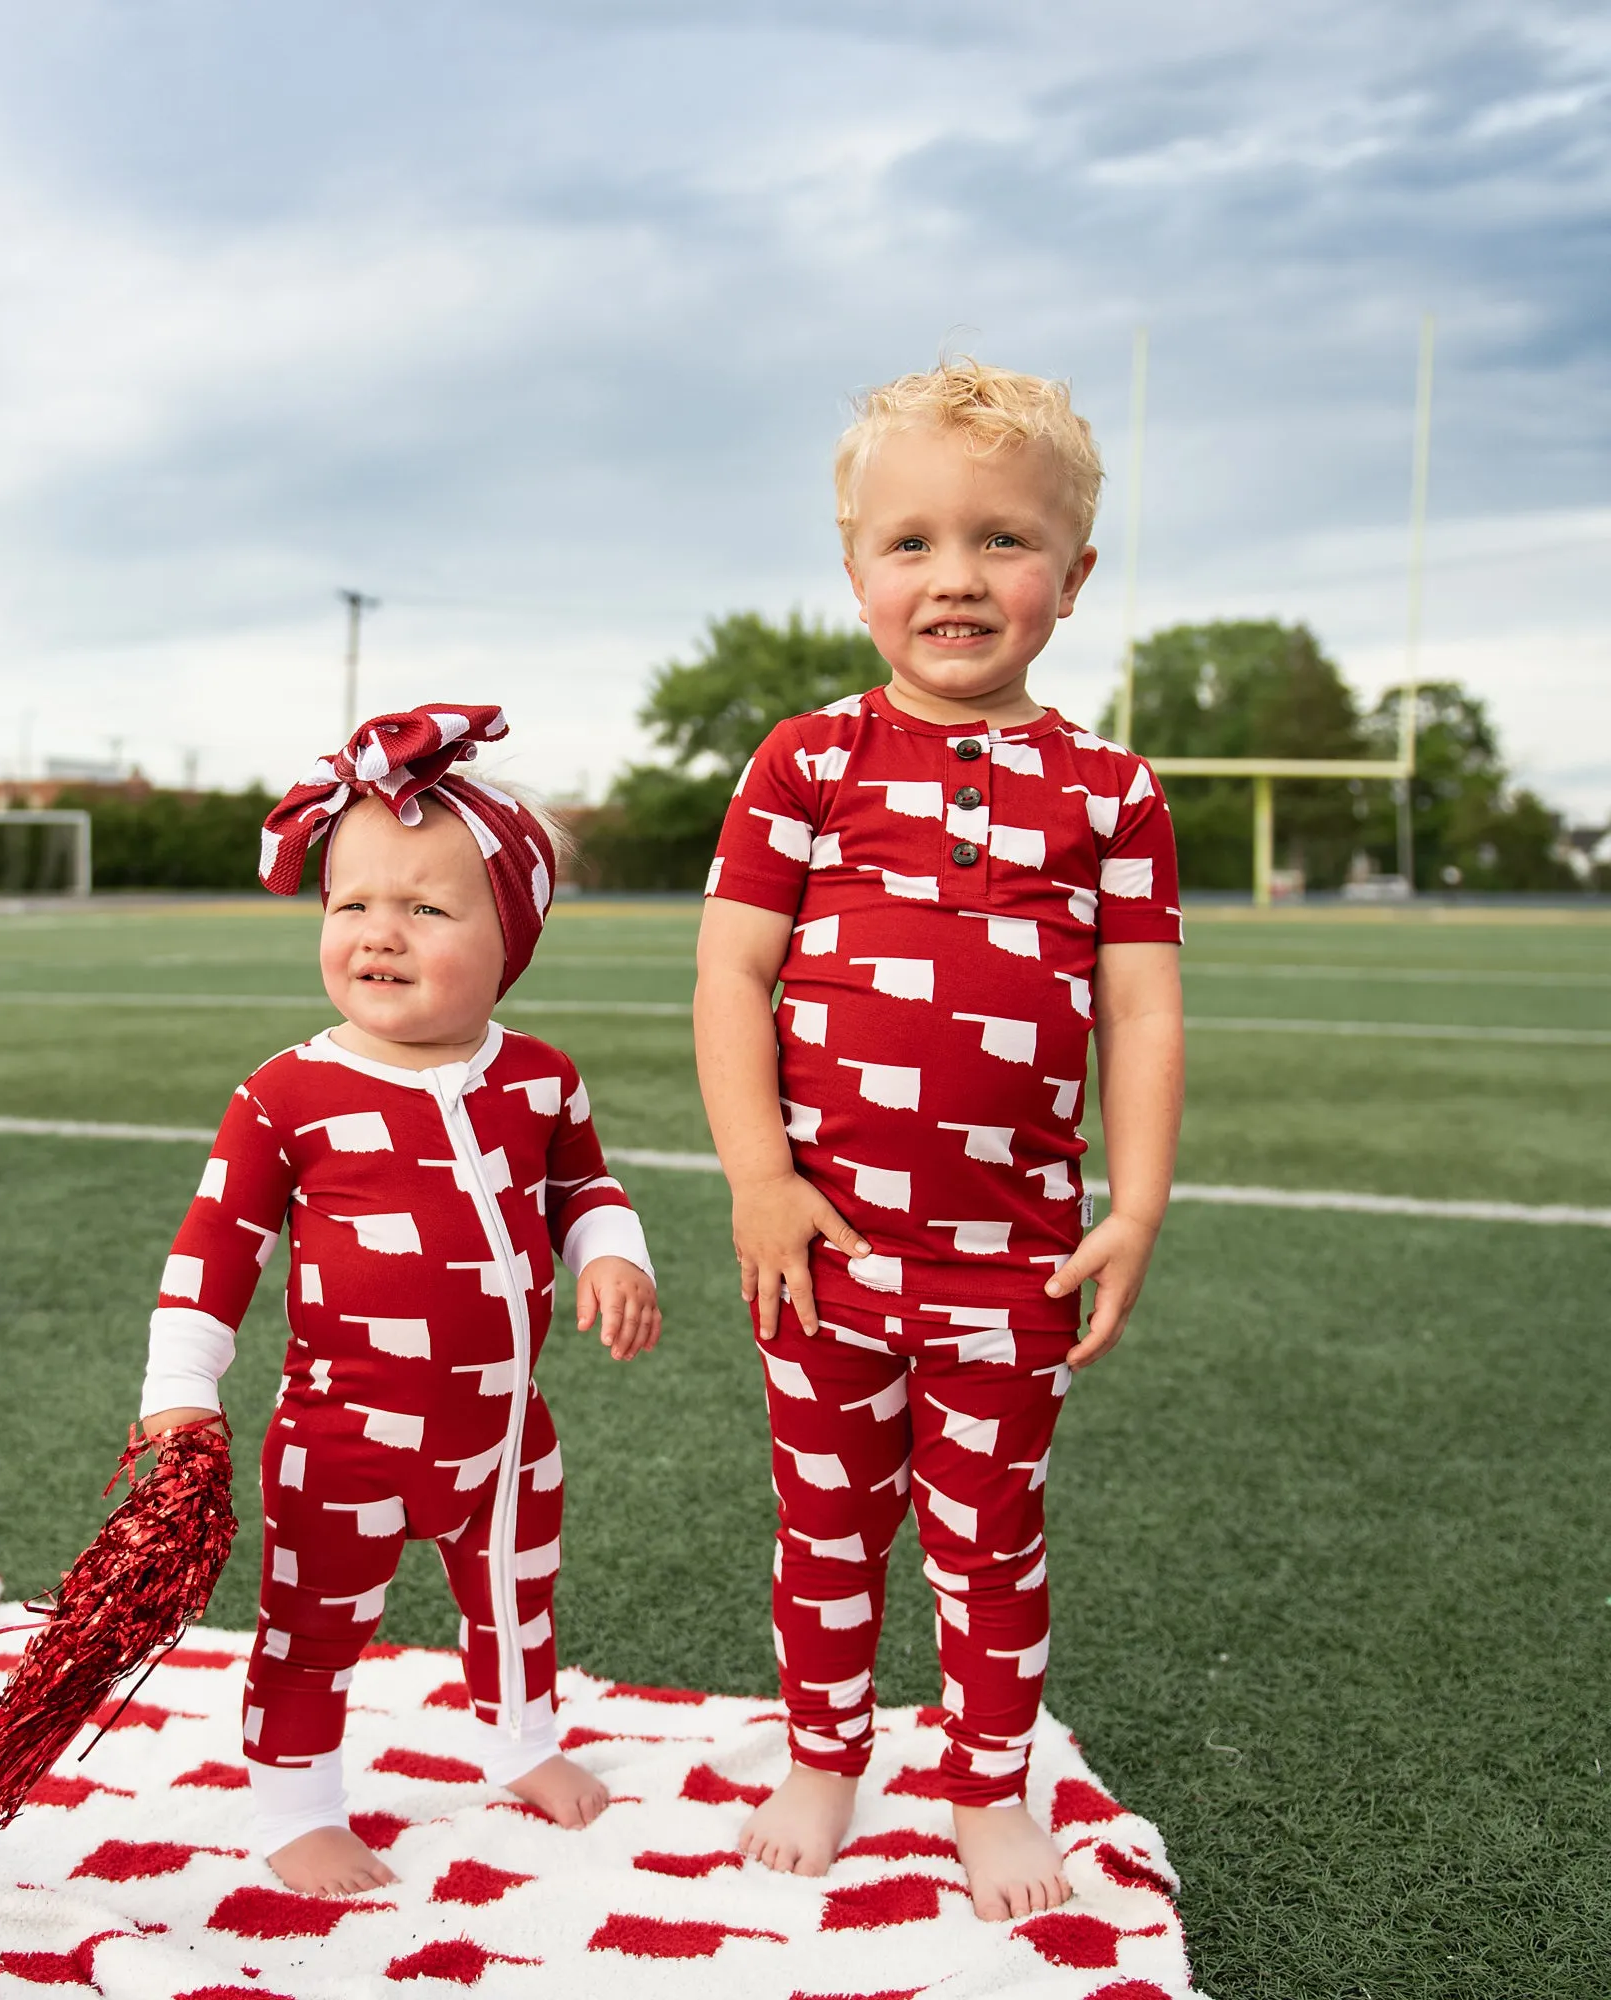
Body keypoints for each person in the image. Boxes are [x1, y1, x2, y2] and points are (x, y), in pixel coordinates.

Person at [692, 359, 1185, 1920]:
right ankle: (826, 1756)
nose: (956, 578)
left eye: (1002, 541)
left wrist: (1138, 1201)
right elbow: (732, 975)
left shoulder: (1109, 787)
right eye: (911, 543)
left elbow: (1144, 1014)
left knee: (990, 1540)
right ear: (855, 571)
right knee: (826, 1525)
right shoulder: (808, 760)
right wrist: (762, 1181)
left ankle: (988, 1783)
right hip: (825, 1253)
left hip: (1011, 1256)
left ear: (1075, 575)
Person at [140, 703, 661, 1897]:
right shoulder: (288, 1092)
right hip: (346, 1436)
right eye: (350, 905)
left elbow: (587, 1184)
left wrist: (609, 1253)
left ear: (509, 936)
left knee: (518, 1601)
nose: (378, 933)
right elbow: (214, 1243)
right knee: (314, 1623)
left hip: (508, 1427)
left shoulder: (536, 1076)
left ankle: (522, 1741)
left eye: (424, 908)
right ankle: (295, 1800)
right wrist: (179, 1386)